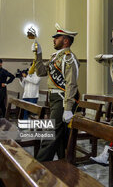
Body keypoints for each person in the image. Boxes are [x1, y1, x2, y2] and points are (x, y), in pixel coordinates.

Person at [34, 23, 80, 162]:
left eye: (57, 37)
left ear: (65, 40)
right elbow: (41, 72)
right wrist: (38, 54)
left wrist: (67, 108)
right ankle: (66, 163)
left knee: (51, 133)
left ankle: (38, 167)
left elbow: (71, 84)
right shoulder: (55, 57)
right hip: (54, 98)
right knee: (61, 136)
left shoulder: (68, 58)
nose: (53, 40)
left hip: (62, 99)